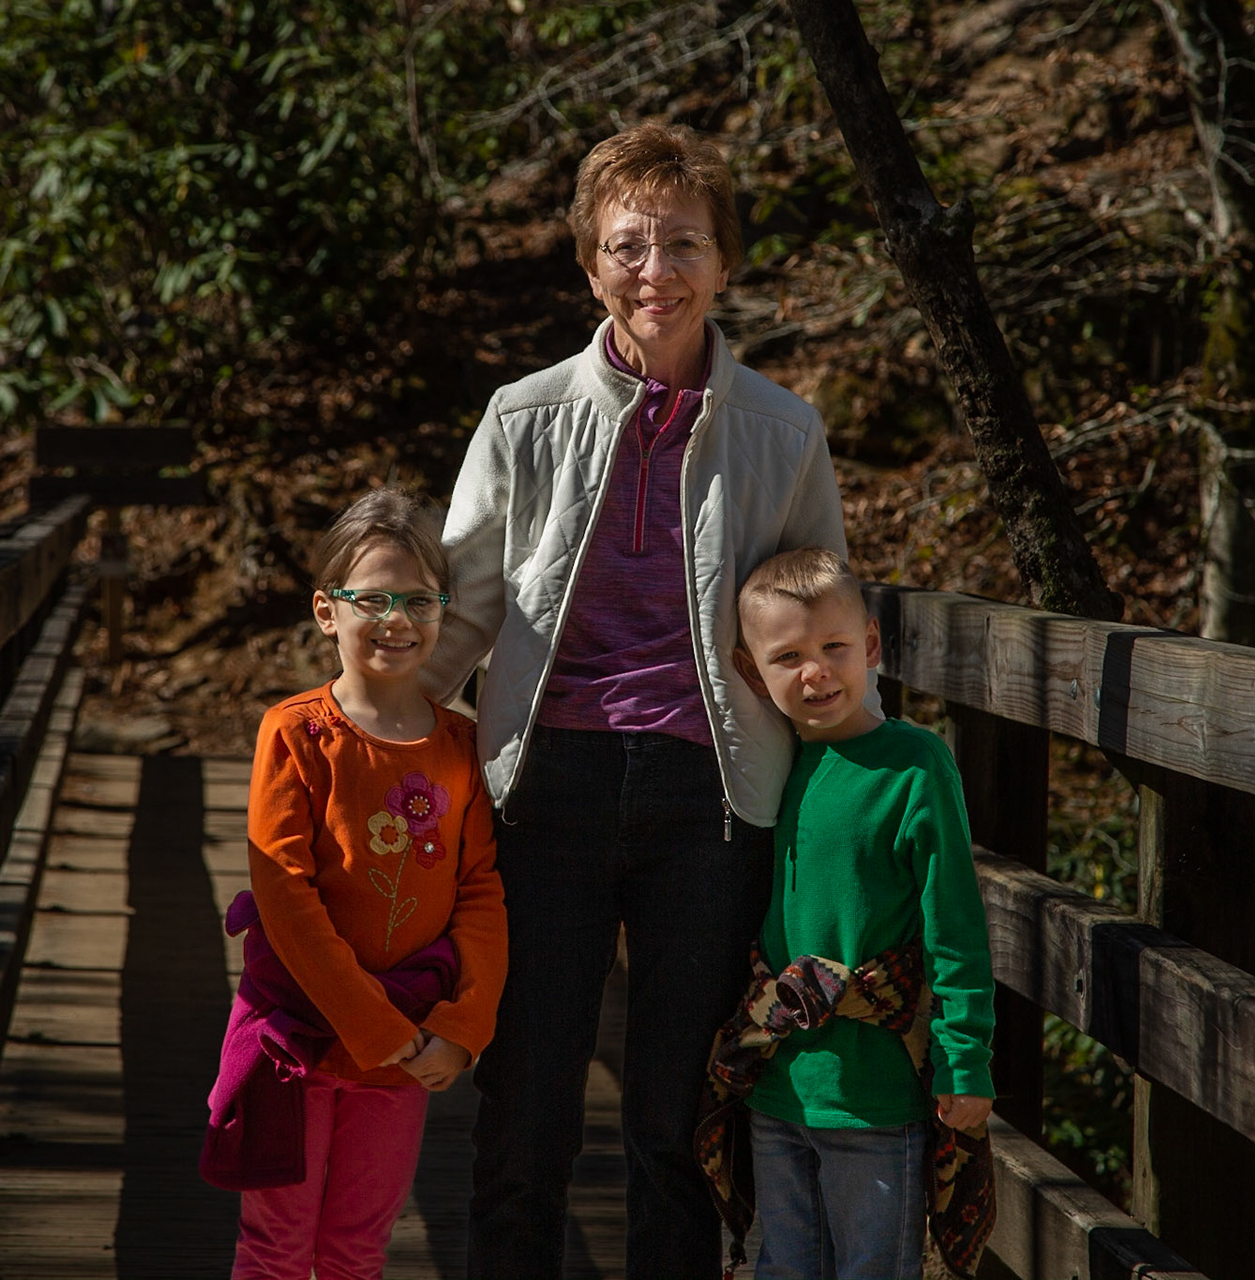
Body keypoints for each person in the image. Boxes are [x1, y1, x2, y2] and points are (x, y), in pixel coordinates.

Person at [426, 121, 874, 1279]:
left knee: (680, 1119)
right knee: (526, 1106)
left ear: (723, 264)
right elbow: (463, 611)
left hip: (710, 800)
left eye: (684, 243)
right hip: (547, 790)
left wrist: (864, 791)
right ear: (591, 266)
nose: (655, 270)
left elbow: (818, 631)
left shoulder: (783, 430)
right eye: (627, 245)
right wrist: (357, 735)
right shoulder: (522, 416)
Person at [205, 488, 507, 1280]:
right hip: (298, 1036)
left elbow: (480, 891)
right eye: (372, 598)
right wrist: (373, 1027)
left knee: (355, 1249)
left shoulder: (461, 746)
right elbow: (286, 895)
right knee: (276, 1246)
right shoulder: (297, 734)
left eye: (419, 600)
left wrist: (464, 1025)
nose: (396, 619)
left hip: (408, 1045)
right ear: (326, 611)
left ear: (444, 612)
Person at [702, 547, 996, 1280]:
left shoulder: (915, 766)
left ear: (870, 644)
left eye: (834, 647)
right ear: (751, 673)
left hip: (877, 1094)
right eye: (788, 657)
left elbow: (956, 927)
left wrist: (964, 1057)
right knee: (784, 1267)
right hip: (778, 1087)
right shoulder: (766, 771)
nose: (815, 672)